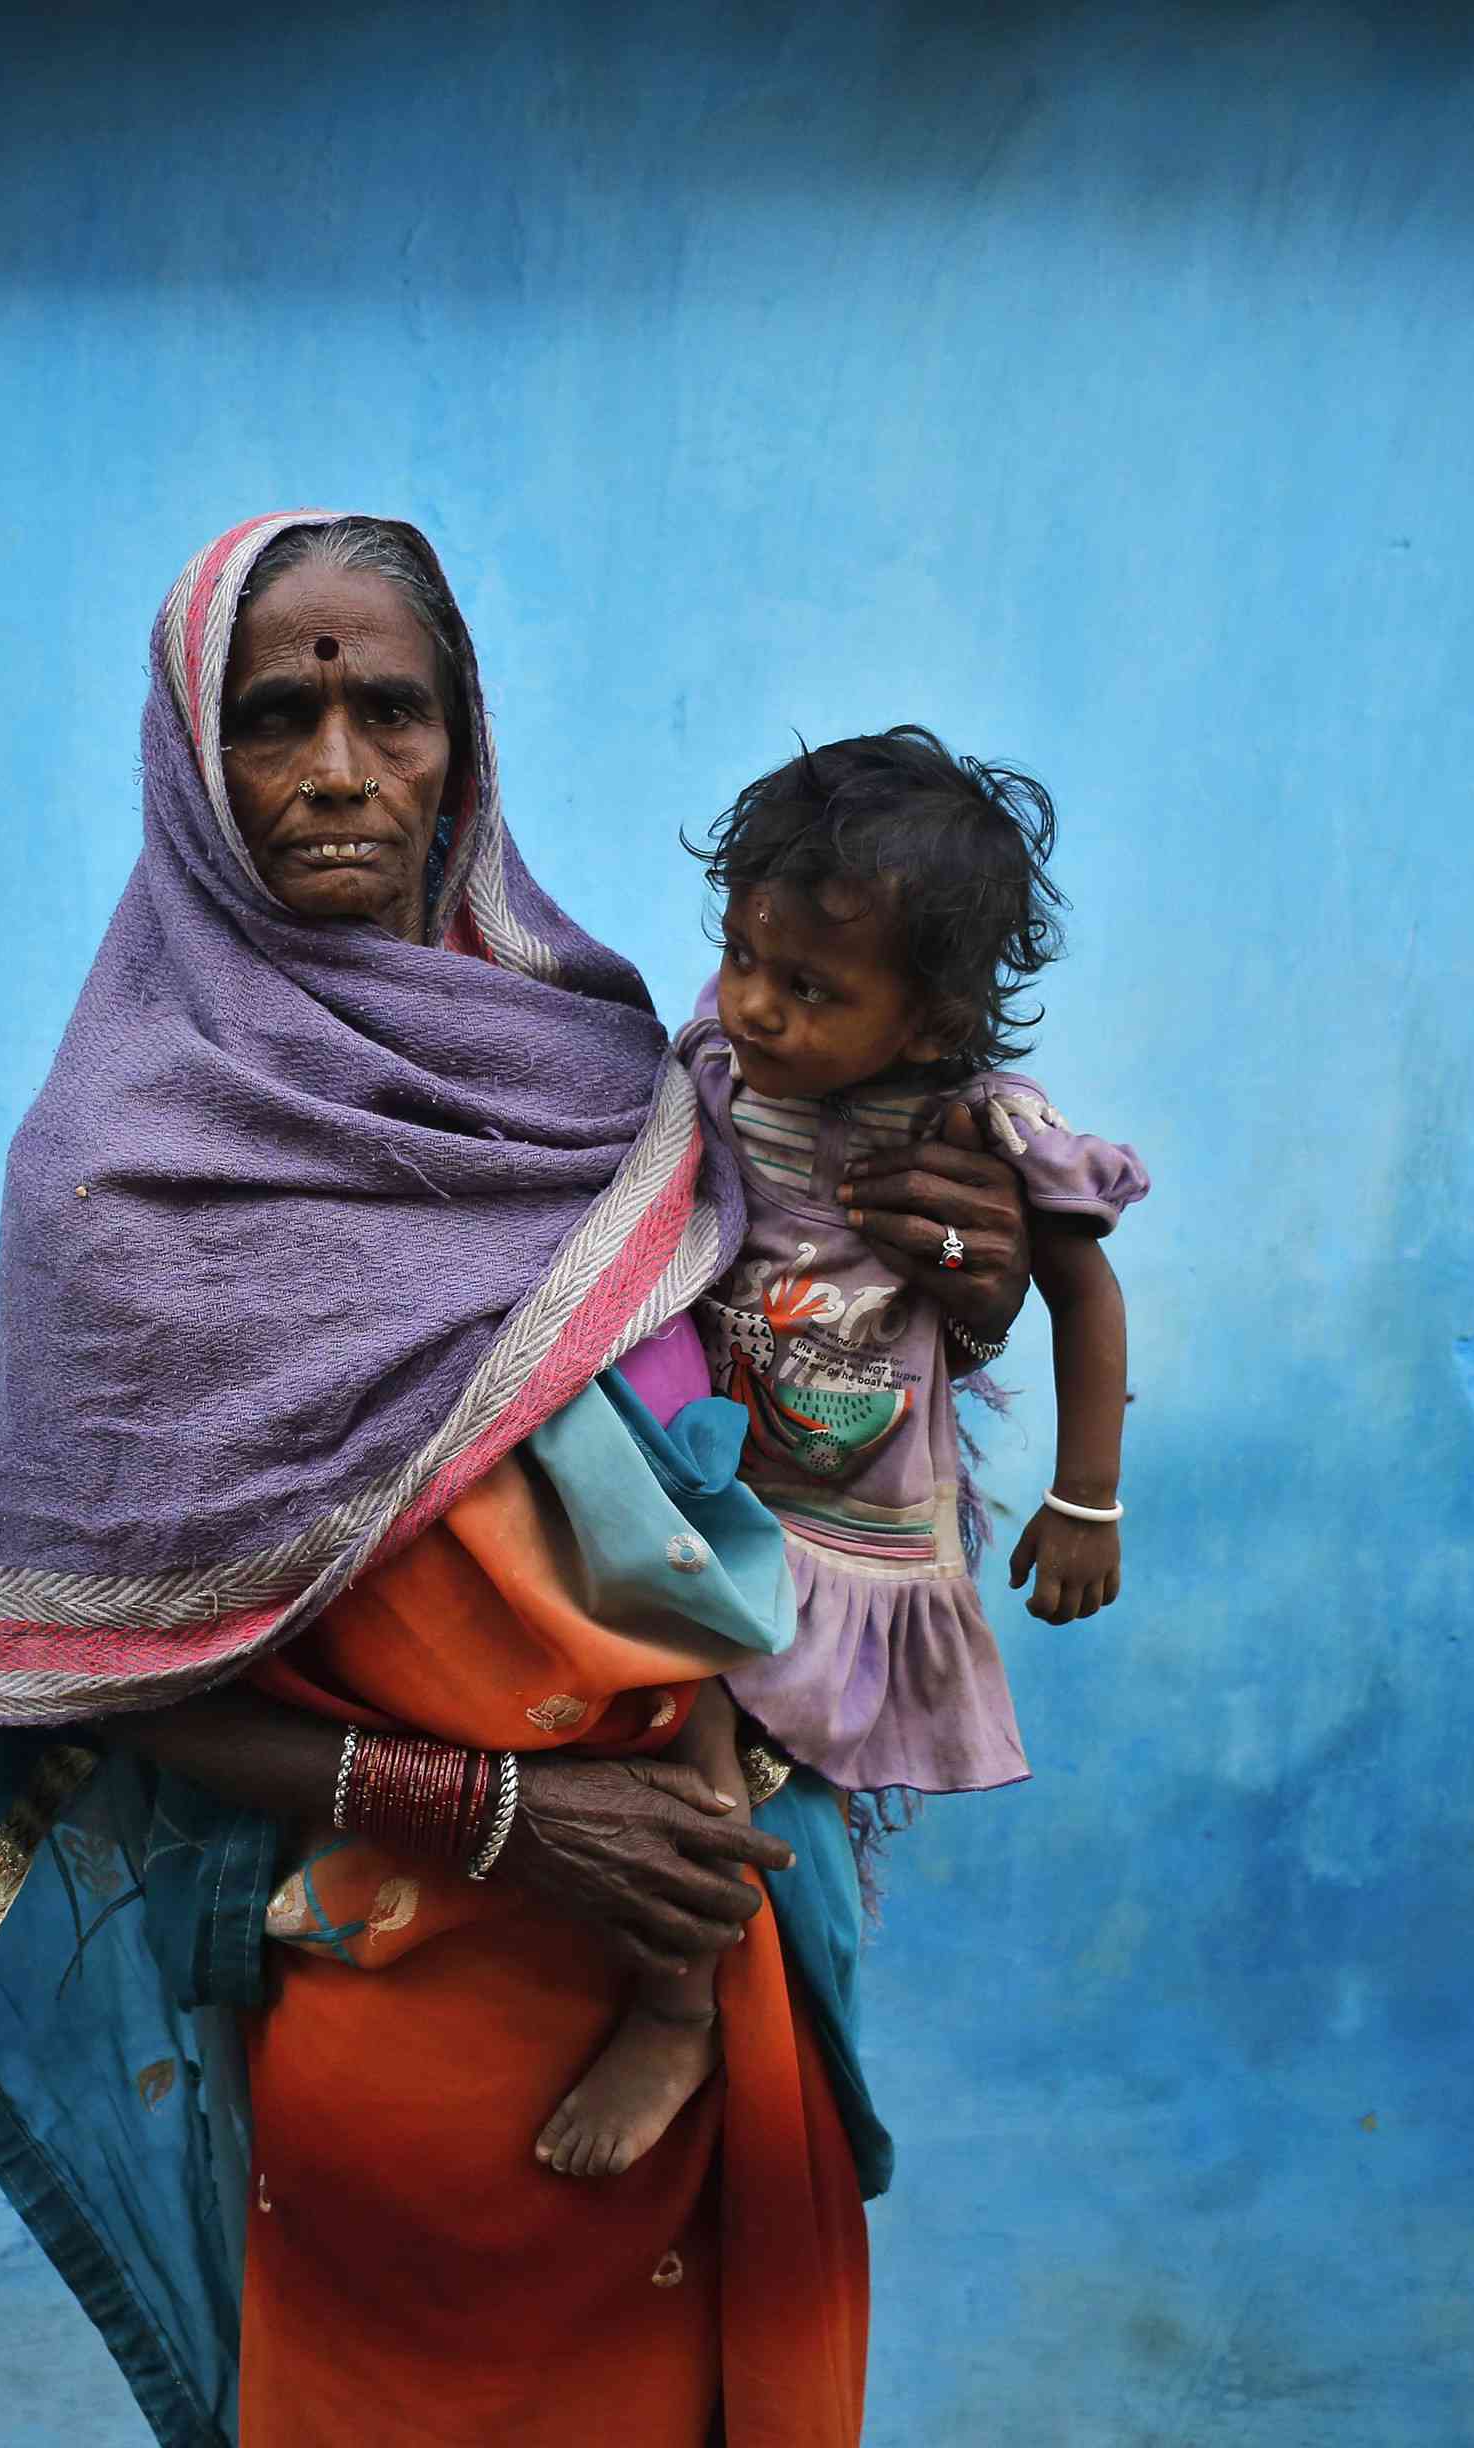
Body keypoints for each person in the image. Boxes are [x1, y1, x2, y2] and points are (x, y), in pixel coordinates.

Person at [0, 513, 1045, 2448]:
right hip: (416, 2012)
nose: (341, 772)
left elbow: (778, 1433)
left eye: (394, 712)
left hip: (715, 1966)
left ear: (470, 744)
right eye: (277, 716)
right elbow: (103, 1681)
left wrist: (973, 1285)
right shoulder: (117, 1176)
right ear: (194, 764)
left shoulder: (615, 1081)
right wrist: (514, 1816)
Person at [531, 729, 1151, 2182]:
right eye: (744, 955)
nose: (756, 1004)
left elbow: (1088, 1295)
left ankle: (709, 2025)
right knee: (671, 1715)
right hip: (714, 1480)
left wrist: (1087, 1500)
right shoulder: (723, 1064)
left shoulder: (980, 1123)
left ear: (933, 1015)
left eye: (809, 987)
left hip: (854, 1534)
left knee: (774, 1797)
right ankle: (659, 1994)